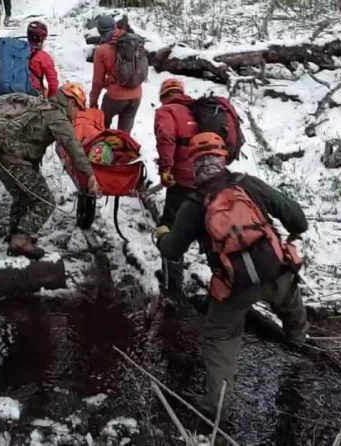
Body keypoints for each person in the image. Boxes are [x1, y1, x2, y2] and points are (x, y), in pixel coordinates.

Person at [153, 133, 308, 420]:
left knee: (219, 337)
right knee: (290, 301)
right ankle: (299, 342)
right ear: (223, 158)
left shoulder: (194, 204)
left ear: (193, 167)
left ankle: (217, 407)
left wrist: (161, 235)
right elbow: (298, 218)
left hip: (235, 287)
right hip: (278, 273)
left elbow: (173, 251)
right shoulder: (248, 184)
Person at [0, 86, 100, 259]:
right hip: (17, 161)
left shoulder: (40, 104)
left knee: (23, 197)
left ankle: (13, 234)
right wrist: (89, 175)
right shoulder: (58, 117)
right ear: (71, 102)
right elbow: (73, 146)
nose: (77, 113)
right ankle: (20, 240)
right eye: (78, 108)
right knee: (45, 202)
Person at [154, 78, 199, 298]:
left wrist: (166, 169)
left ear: (163, 96)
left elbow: (166, 138)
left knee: (170, 228)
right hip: (209, 179)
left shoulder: (166, 111)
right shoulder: (197, 109)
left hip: (182, 179)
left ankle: (173, 288)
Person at [89, 14, 144, 134]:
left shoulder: (101, 50)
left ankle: (105, 150)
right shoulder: (132, 41)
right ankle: (123, 150)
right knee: (124, 134)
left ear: (100, 32)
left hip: (115, 96)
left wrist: (93, 100)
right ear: (115, 26)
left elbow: (97, 81)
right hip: (136, 95)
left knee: (102, 126)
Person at [26, 21, 58, 97]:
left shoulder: (17, 52)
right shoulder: (44, 57)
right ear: (41, 39)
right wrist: (50, 99)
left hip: (12, 91)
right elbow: (53, 84)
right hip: (33, 94)